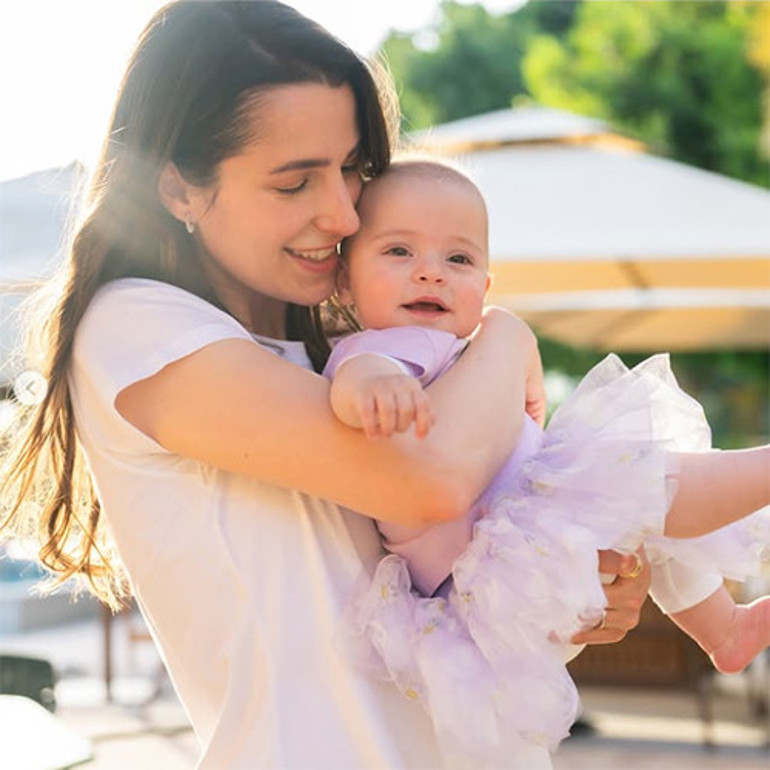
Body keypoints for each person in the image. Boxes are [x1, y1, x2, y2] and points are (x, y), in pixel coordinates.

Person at [0, 3, 654, 769]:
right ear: (177, 187)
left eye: (352, 169)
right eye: (294, 183)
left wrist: (575, 585)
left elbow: (445, 563)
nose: (344, 213)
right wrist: (507, 335)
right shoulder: (141, 329)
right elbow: (428, 481)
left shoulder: (348, 349)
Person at [323, 158, 770, 763]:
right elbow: (353, 377)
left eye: (458, 260)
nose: (430, 274)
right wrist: (376, 388)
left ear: (485, 287)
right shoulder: (378, 350)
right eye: (399, 252)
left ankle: (724, 630)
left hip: (516, 537)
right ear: (345, 282)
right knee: (649, 482)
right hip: (497, 549)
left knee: (655, 520)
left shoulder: (471, 347)